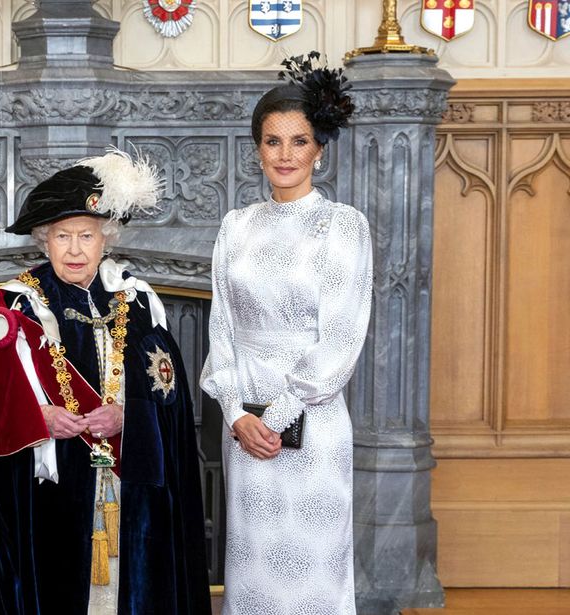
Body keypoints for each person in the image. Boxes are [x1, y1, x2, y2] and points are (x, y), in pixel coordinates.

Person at [0, 151, 211, 614]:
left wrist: (129, 415)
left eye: (86, 236)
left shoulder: (139, 301)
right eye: (62, 237)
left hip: (129, 489)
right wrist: (38, 417)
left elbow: (170, 396)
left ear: (105, 239)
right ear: (43, 241)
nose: (74, 250)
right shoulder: (16, 307)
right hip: (46, 494)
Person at [200, 51, 371, 615]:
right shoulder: (236, 226)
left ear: (319, 148)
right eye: (273, 142)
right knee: (252, 576)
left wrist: (274, 418)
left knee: (313, 578)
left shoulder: (343, 226)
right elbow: (220, 327)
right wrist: (236, 415)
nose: (285, 155)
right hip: (244, 429)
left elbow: (341, 338)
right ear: (257, 150)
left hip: (312, 429)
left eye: (299, 141)